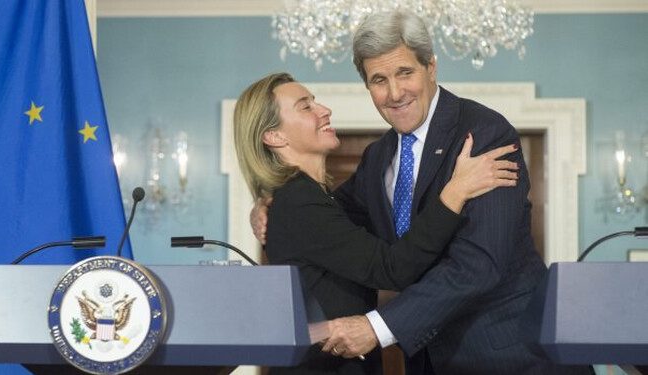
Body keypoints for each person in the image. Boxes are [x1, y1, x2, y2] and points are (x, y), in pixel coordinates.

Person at [251, 11, 592, 375]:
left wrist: (378, 327)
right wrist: (269, 202)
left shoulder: (482, 135)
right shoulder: (378, 156)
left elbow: (478, 265)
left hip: (512, 358)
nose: (394, 93)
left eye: (405, 73)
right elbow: (327, 215)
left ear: (431, 67)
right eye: (379, 80)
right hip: (430, 362)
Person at [234, 72, 519, 374]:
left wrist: (265, 200)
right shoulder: (298, 201)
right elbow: (392, 269)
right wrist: (456, 191)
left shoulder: (310, 198)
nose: (324, 109)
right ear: (274, 136)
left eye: (315, 101)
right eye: (305, 107)